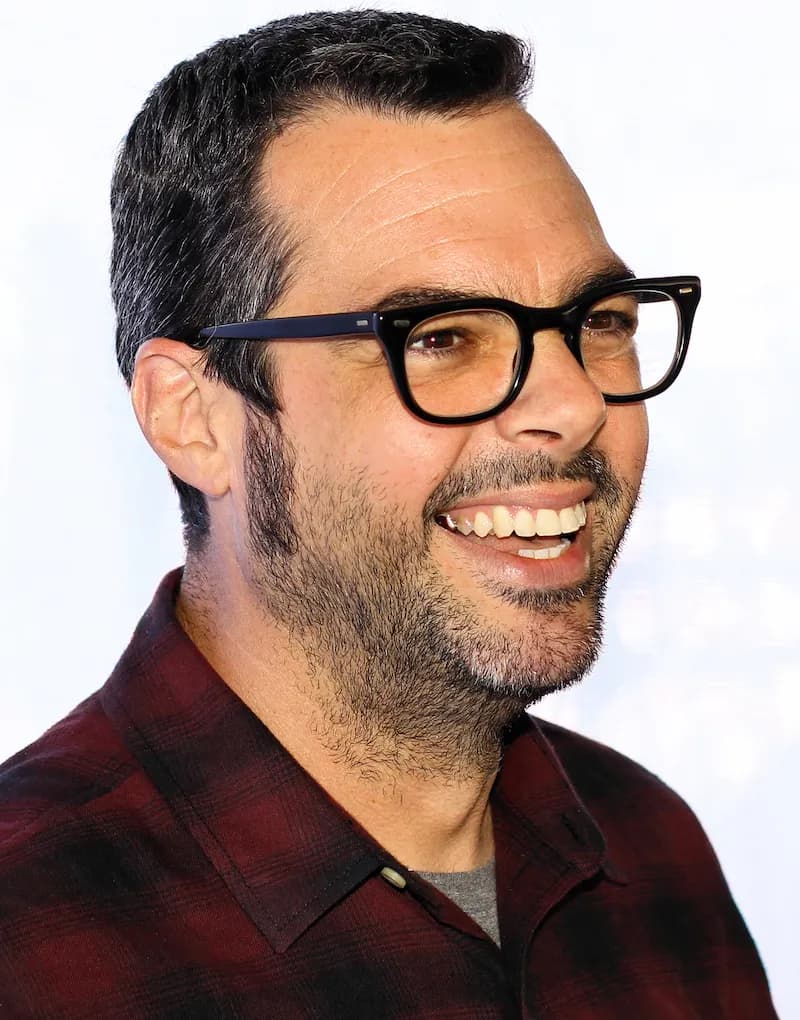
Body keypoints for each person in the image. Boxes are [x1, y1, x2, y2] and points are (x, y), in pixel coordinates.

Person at [0, 10, 778, 1018]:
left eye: (597, 321)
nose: (575, 403)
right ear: (192, 416)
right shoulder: (31, 940)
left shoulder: (648, 852)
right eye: (439, 338)